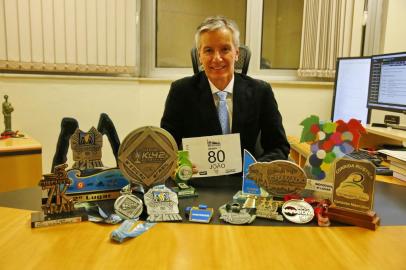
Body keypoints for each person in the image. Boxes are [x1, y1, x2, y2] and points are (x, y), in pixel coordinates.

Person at [161, 16, 290, 162]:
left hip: (245, 180)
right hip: (196, 181)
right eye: (208, 50)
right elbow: (166, 147)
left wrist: (257, 170)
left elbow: (279, 147)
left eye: (225, 49)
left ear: (236, 53)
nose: (217, 58)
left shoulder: (260, 92)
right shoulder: (181, 92)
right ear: (199, 55)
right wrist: (180, 164)